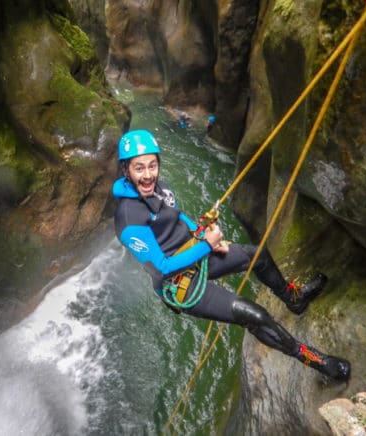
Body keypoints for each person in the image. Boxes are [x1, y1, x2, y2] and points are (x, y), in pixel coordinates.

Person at [112, 129, 350, 381]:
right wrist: (206, 246)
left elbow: (177, 216)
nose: (148, 175)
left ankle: (294, 298)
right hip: (178, 283)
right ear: (126, 170)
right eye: (139, 168)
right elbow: (161, 268)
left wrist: (204, 235)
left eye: (152, 166)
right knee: (254, 315)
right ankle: (314, 359)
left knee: (257, 255)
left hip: (193, 250)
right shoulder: (129, 220)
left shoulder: (159, 187)